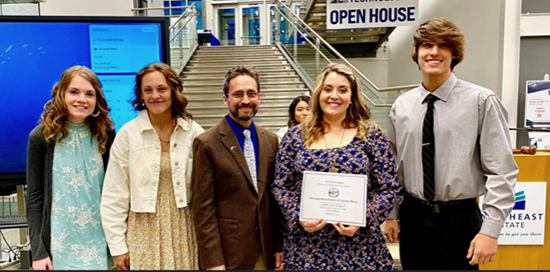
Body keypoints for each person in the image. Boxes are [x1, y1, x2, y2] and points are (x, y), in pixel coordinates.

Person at [384, 17, 518, 270]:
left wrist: (491, 230)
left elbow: (502, 171)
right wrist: (392, 214)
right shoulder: (401, 105)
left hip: (459, 219)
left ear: (454, 53)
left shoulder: (481, 101)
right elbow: (394, 168)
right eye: (426, 45)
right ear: (417, 53)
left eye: (443, 45)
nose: (434, 52)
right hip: (413, 217)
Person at [271, 63, 400, 270]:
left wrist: (364, 217)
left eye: (342, 90)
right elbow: (281, 186)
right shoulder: (295, 136)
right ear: (318, 93)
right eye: (328, 89)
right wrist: (298, 215)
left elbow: (388, 187)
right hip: (307, 246)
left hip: (360, 246)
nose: (334, 96)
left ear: (352, 97)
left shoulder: (371, 135)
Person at [100, 62, 204, 270]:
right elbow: (114, 194)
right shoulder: (128, 134)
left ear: (173, 91)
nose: (155, 95)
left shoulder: (193, 132)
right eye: (148, 90)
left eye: (161, 89)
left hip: (183, 230)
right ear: (141, 95)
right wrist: (118, 247)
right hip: (143, 230)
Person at [191, 65, 286, 270]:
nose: (245, 101)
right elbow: (203, 209)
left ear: (259, 97)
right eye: (238, 94)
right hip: (229, 255)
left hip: (266, 251)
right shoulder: (207, 143)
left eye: (251, 93)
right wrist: (213, 260)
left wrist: (279, 245)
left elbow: (274, 199)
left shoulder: (271, 141)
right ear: (226, 99)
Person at [26, 66, 115, 270]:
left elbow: (115, 192)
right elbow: (34, 200)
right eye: (74, 92)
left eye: (89, 94)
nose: (81, 99)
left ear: (97, 100)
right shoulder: (40, 138)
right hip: (59, 246)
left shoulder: (106, 134)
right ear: (61, 94)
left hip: (100, 242)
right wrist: (38, 251)